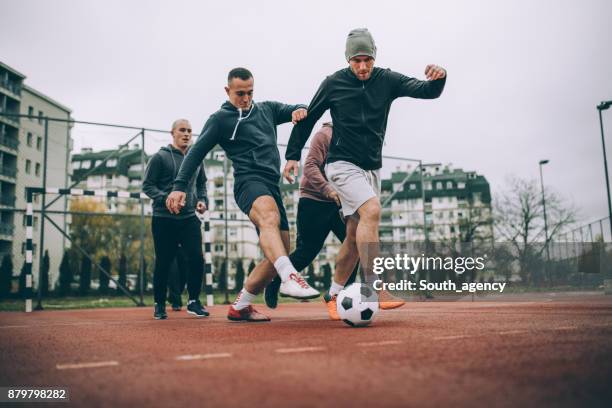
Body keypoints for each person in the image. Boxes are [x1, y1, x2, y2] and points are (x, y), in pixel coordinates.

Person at [283, 28, 447, 312]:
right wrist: (293, 155)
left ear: (374, 57)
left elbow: (426, 91)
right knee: (371, 210)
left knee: (354, 233)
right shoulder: (333, 83)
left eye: (367, 60)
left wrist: (439, 77)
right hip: (341, 163)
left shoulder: (388, 79)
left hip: (370, 168)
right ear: (348, 59)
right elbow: (309, 118)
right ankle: (374, 286)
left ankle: (333, 295)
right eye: (356, 60)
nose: (362, 66)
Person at [166, 67, 319, 322]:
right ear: (228, 91)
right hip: (248, 182)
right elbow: (196, 152)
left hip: (272, 184)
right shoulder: (220, 120)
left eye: (250, 93)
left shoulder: (266, 109)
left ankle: (241, 305)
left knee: (278, 252)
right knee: (269, 218)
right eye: (240, 94)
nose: (246, 99)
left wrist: (300, 110)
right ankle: (290, 277)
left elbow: (299, 109)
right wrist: (180, 186)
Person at [264, 122, 358, 320]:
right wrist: (328, 189)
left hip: (341, 203)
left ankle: (342, 297)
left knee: (354, 245)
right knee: (307, 252)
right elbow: (310, 166)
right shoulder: (324, 135)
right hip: (314, 200)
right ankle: (274, 280)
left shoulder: (354, 137)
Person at [143, 119, 209, 320]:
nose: (187, 134)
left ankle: (194, 301)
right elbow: (147, 186)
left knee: (197, 258)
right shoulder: (159, 158)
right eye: (182, 130)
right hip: (164, 218)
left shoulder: (196, 158)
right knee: (164, 261)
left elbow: (201, 184)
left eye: (189, 130)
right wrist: (167, 198)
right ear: (172, 133)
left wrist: (202, 199)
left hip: (189, 217)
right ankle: (160, 304)